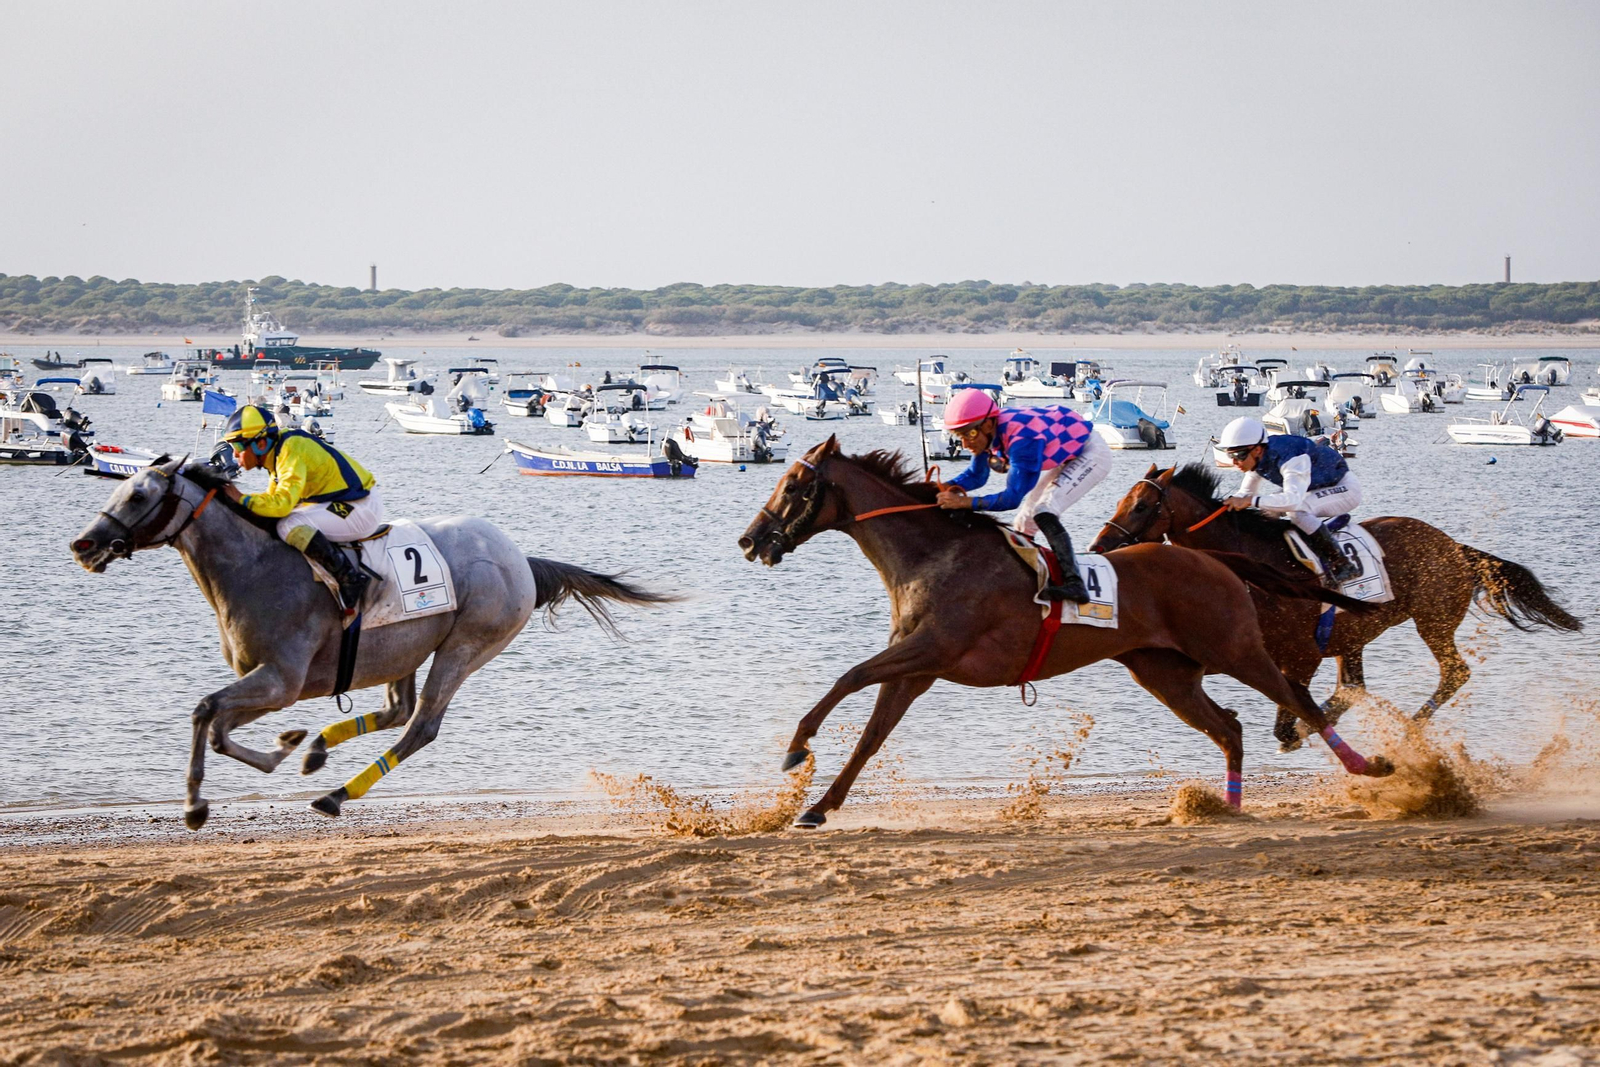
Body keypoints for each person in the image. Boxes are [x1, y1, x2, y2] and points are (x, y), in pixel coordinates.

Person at [935, 389, 1110, 603]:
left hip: (1091, 453)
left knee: (1044, 512)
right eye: (958, 436)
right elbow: (976, 477)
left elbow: (1012, 498)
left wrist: (963, 503)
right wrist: (941, 487)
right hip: (1068, 455)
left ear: (989, 424)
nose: (965, 444)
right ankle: (1029, 578)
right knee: (1023, 524)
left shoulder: (1023, 439)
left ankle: (1075, 584)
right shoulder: (985, 432)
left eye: (969, 434)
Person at [218, 404, 381, 615]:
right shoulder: (278, 452)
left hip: (359, 507)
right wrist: (241, 502)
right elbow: (272, 500)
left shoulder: (289, 450)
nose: (234, 455)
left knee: (288, 524)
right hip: (337, 502)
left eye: (238, 448)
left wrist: (242, 499)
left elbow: (282, 504)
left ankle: (349, 578)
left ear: (259, 443)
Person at [1216, 416, 1359, 583]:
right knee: (1267, 512)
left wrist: (1250, 501)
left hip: (1344, 487)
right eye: (1230, 455)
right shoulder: (1258, 457)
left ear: (1256, 449)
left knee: (1298, 513)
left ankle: (1342, 563)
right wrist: (1223, 506)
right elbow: (1245, 493)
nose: (1234, 462)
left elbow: (1293, 500)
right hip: (1314, 487)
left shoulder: (1291, 457)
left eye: (1239, 455)